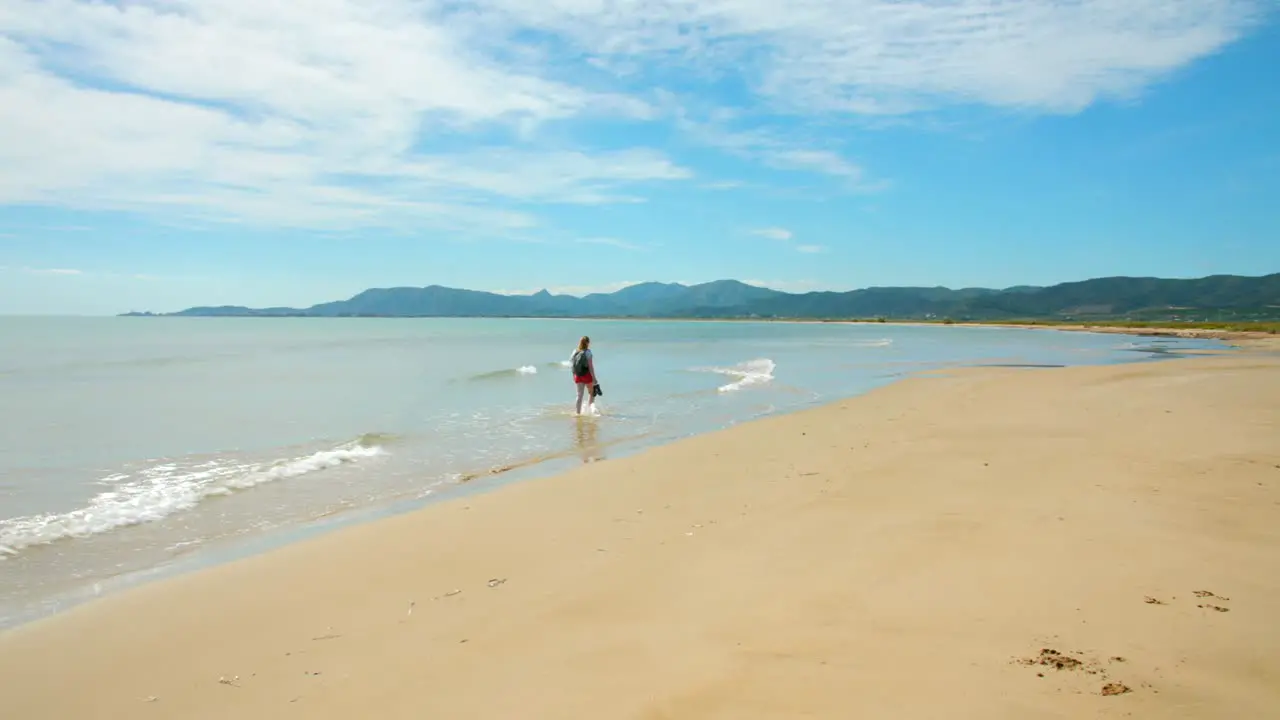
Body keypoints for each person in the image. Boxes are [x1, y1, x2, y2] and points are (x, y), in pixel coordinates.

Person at [570, 335, 599, 415]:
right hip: (587, 376)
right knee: (592, 393)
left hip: (577, 376)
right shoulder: (588, 352)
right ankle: (590, 411)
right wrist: (594, 378)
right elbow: (590, 366)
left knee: (579, 395)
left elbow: (572, 365)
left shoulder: (575, 351)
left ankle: (577, 413)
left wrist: (574, 376)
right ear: (588, 343)